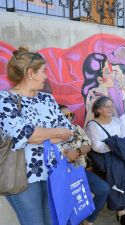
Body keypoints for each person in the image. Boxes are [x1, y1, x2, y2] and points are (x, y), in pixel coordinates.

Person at [0, 45, 73, 225]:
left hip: (53, 173)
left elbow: (68, 131)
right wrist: (52, 135)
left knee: (53, 222)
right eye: (43, 71)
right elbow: (25, 134)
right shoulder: (4, 99)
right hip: (23, 177)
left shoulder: (47, 99)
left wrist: (37, 136)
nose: (46, 76)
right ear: (30, 73)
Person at [85, 96, 125, 225]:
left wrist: (116, 144)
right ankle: (121, 212)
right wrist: (114, 144)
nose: (111, 108)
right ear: (98, 109)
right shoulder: (92, 125)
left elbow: (124, 139)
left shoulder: (116, 121)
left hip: (118, 157)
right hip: (103, 160)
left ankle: (122, 209)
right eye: (107, 106)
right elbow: (96, 146)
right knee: (118, 172)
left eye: (112, 106)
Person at [58, 104, 109, 225]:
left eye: (71, 115)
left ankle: (88, 220)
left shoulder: (76, 128)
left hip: (79, 171)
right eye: (65, 116)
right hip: (61, 174)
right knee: (69, 203)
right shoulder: (51, 133)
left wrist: (77, 151)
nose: (69, 118)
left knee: (103, 189)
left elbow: (87, 145)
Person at [81, 53, 117, 130]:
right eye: (108, 72)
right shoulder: (95, 100)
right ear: (100, 79)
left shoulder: (105, 97)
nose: (113, 74)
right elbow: (86, 129)